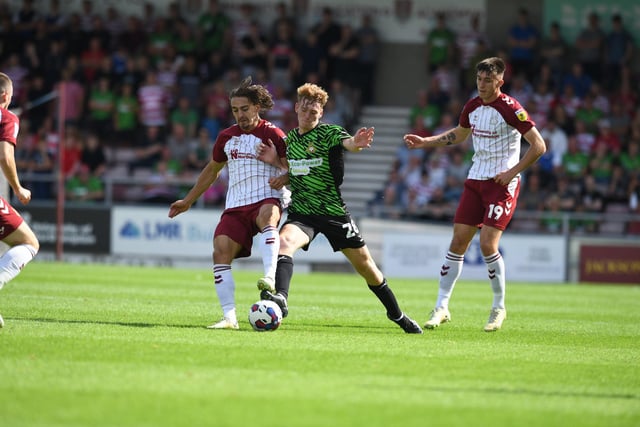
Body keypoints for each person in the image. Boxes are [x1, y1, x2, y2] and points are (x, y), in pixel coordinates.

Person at [257, 82, 422, 334]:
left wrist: (357, 142)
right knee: (283, 242)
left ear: (321, 113)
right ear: (296, 108)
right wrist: (281, 170)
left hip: (333, 212)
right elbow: (300, 168)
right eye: (304, 110)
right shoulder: (289, 140)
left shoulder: (330, 133)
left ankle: (397, 315)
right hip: (303, 212)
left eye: (314, 112)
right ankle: (281, 297)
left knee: (367, 267)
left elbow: (349, 144)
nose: (308, 115)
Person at [403, 57, 546, 332]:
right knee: (458, 242)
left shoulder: (511, 108)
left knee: (488, 245)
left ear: (500, 82)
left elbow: (538, 146)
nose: (482, 85)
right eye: (479, 79)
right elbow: (460, 134)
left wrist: (512, 172)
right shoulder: (472, 105)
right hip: (475, 180)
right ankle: (441, 307)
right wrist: (426, 142)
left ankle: (498, 308)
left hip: (501, 185)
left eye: (488, 81)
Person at [168, 76, 288, 330]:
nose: (240, 115)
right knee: (220, 250)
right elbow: (212, 170)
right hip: (236, 204)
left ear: (256, 107)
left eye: (244, 109)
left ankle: (269, 277)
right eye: (235, 110)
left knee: (269, 217)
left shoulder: (273, 133)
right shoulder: (226, 137)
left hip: (266, 196)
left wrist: (277, 163)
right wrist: (188, 201)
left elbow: (293, 168)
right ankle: (229, 318)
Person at [0, 72, 40, 328]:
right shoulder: (7, 117)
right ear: (5, 96)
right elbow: (5, 157)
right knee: (29, 242)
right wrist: (18, 188)